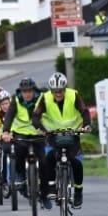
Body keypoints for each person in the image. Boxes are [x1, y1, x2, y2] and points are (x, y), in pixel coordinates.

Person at [32, 72, 89, 208]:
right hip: (53, 133)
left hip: (72, 133)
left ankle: (78, 192)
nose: (58, 94)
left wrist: (86, 125)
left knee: (76, 162)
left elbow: (84, 111)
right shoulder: (45, 98)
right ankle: (51, 187)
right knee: (49, 157)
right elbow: (36, 115)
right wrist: (40, 127)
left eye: (61, 91)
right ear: (51, 90)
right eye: (55, 91)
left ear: (65, 89)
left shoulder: (73, 95)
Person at [0, 77, 46, 207]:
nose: (27, 94)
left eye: (29, 91)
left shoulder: (41, 98)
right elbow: (3, 121)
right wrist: (0, 133)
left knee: (43, 160)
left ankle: (43, 185)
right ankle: (11, 177)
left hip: (37, 134)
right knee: (14, 152)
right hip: (18, 135)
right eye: (2, 104)